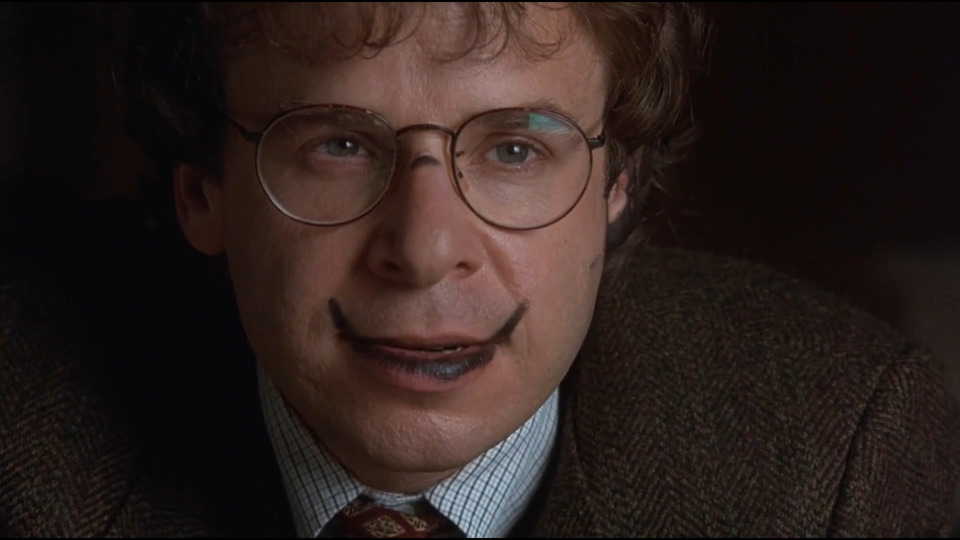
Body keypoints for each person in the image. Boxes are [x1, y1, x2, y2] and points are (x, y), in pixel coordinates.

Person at [2, 2, 958, 537]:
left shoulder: (839, 471)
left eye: (515, 150)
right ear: (202, 190)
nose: (424, 253)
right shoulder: (22, 439)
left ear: (616, 185)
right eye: (339, 144)